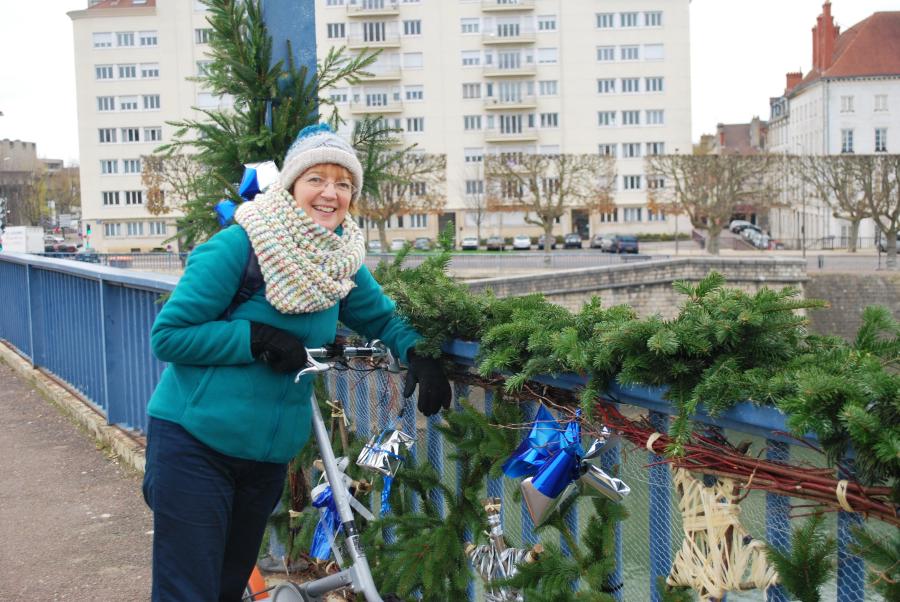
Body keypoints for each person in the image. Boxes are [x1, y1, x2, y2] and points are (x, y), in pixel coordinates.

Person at [142, 123, 451, 601]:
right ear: (291, 185)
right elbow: (169, 335)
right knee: (188, 591)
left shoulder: (338, 260)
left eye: (343, 183)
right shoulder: (240, 246)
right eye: (317, 179)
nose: (331, 193)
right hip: (195, 445)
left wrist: (420, 354)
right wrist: (253, 338)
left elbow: (381, 317)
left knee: (226, 588)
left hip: (265, 456)